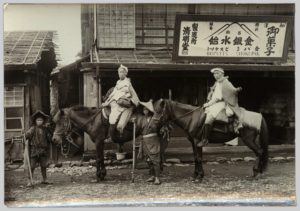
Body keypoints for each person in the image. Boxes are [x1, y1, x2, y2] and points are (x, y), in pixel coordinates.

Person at [197, 67, 242, 147]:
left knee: (209, 118)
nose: (216, 75)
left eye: (217, 73)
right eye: (214, 74)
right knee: (204, 114)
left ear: (222, 74)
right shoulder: (218, 83)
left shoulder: (225, 82)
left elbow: (218, 97)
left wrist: (208, 104)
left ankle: (205, 139)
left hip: (221, 103)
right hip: (217, 103)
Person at [102, 64, 140, 138]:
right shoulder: (118, 82)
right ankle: (110, 134)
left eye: (122, 72)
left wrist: (107, 102)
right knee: (110, 116)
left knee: (117, 122)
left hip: (125, 104)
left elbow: (122, 95)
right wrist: (107, 100)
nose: (120, 74)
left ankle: (117, 135)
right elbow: (113, 93)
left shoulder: (127, 83)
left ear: (126, 73)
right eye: (119, 72)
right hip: (117, 103)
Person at [24, 110, 52, 186]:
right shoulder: (33, 128)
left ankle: (44, 179)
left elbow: (50, 139)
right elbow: (27, 135)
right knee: (32, 166)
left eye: (41, 120)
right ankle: (30, 180)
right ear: (35, 121)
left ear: (43, 121)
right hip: (34, 150)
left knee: (43, 165)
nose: (39, 121)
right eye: (38, 120)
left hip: (43, 150)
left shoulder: (45, 129)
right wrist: (25, 134)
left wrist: (49, 134)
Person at [137, 100, 162, 185]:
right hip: (145, 141)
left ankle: (157, 177)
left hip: (153, 140)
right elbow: (139, 129)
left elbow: (160, 127)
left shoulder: (155, 118)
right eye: (144, 110)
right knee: (148, 160)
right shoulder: (141, 119)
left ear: (149, 110)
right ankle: (152, 175)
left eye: (146, 109)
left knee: (155, 160)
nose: (145, 111)